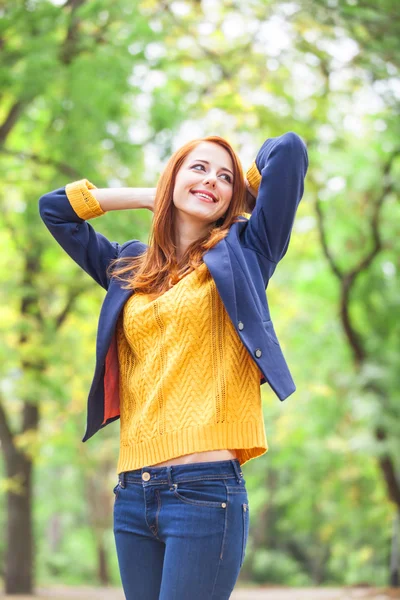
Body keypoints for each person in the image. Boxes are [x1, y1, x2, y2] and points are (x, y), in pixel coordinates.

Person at [39, 131, 308, 599]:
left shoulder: (248, 251)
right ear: (172, 179)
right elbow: (54, 210)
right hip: (132, 493)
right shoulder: (127, 266)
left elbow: (288, 151)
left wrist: (231, 192)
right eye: (198, 168)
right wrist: (152, 195)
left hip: (206, 492)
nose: (212, 180)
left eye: (224, 176)